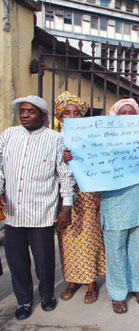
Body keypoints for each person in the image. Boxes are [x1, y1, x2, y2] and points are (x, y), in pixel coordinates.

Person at [0, 95, 74, 320]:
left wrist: (67, 206)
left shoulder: (54, 139)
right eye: (22, 111)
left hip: (41, 211)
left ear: (43, 116)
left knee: (44, 261)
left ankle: (46, 296)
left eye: (30, 111)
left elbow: (64, 173)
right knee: (17, 262)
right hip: (13, 213)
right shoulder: (8, 135)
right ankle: (24, 300)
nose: (24, 115)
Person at [98, 99, 139, 314]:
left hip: (138, 197)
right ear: (115, 116)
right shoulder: (103, 139)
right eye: (122, 112)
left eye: (131, 112)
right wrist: (73, 158)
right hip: (113, 200)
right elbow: (91, 162)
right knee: (115, 249)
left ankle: (138, 287)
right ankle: (117, 293)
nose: (127, 116)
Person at [55, 92, 105, 304]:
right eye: (67, 113)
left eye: (77, 113)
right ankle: (73, 280)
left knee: (89, 238)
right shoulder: (54, 138)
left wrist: (98, 193)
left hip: (87, 193)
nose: (73, 117)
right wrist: (62, 158)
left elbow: (100, 164)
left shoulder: (90, 137)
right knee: (67, 240)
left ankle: (91, 282)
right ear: (60, 116)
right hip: (63, 196)